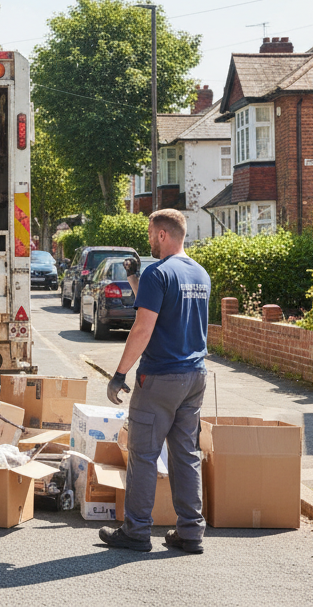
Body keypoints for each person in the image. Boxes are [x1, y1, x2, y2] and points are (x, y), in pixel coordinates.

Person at [99, 209, 210, 554]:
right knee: (185, 454)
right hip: (194, 377)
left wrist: (119, 374)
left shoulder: (158, 273)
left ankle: (136, 531)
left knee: (143, 454)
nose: (149, 239)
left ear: (163, 234)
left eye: (151, 233)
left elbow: (144, 328)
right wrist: (136, 281)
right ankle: (190, 533)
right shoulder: (200, 273)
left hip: (161, 376)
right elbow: (167, 311)